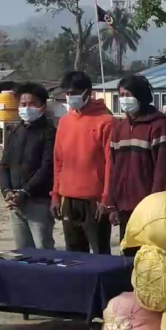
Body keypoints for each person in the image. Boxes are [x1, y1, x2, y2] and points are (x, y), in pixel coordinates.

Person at [109, 74, 166, 255]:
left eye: (128, 94)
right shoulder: (119, 128)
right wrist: (112, 204)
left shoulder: (159, 125)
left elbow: (162, 170)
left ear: (141, 96)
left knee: (147, 256)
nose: (124, 99)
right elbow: (113, 168)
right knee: (127, 255)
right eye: (121, 95)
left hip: (145, 206)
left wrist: (153, 204)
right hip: (123, 206)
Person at [52, 71, 115, 254]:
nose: (71, 97)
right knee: (74, 255)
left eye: (75, 92)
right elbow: (58, 161)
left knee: (100, 253)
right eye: (68, 93)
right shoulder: (64, 122)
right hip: (68, 199)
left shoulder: (106, 122)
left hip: (94, 201)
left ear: (88, 92)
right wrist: (55, 195)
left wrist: (106, 199)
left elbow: (111, 163)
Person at [0, 83, 57, 249]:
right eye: (23, 105)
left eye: (32, 104)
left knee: (44, 251)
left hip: (38, 202)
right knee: (23, 254)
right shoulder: (15, 131)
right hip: (15, 204)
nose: (27, 108)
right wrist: (6, 190)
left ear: (42, 107)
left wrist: (25, 192)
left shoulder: (49, 133)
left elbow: (47, 167)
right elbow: (4, 164)